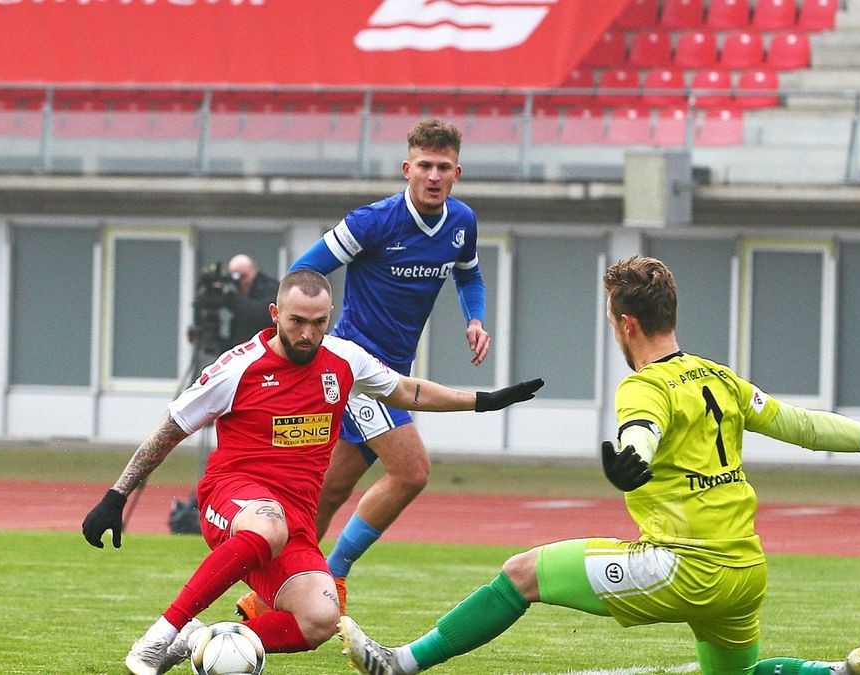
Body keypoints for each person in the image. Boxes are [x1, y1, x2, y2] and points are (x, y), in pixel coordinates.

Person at [339, 256, 860, 675]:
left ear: (627, 323)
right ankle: (845, 671)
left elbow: (640, 432)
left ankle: (398, 665)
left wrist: (630, 463)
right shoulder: (717, 377)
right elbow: (798, 423)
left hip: (684, 566)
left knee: (521, 574)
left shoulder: (644, 385)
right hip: (744, 568)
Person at [81, 269, 542, 675]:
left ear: (329, 318)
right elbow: (170, 429)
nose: (307, 334)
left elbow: (405, 390)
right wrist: (116, 496)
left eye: (318, 323)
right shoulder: (238, 368)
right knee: (267, 525)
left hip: (292, 522)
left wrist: (484, 401)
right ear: (275, 313)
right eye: (296, 321)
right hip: (232, 499)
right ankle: (160, 635)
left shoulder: (344, 359)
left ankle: (197, 643)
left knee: (321, 619)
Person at [236, 118, 490, 620]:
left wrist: (475, 317)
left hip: (395, 374)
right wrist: (308, 340)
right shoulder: (371, 223)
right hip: (356, 373)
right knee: (412, 471)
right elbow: (304, 274)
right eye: (424, 166)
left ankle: (267, 596)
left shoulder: (461, 223)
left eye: (443, 167)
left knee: (327, 491)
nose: (433, 175)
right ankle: (335, 573)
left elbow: (469, 274)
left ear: (456, 172)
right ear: (407, 168)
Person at [222, 253, 280, 346]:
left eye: (244, 276)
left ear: (254, 271)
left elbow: (262, 313)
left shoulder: (271, 288)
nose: (241, 282)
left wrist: (229, 297)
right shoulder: (241, 296)